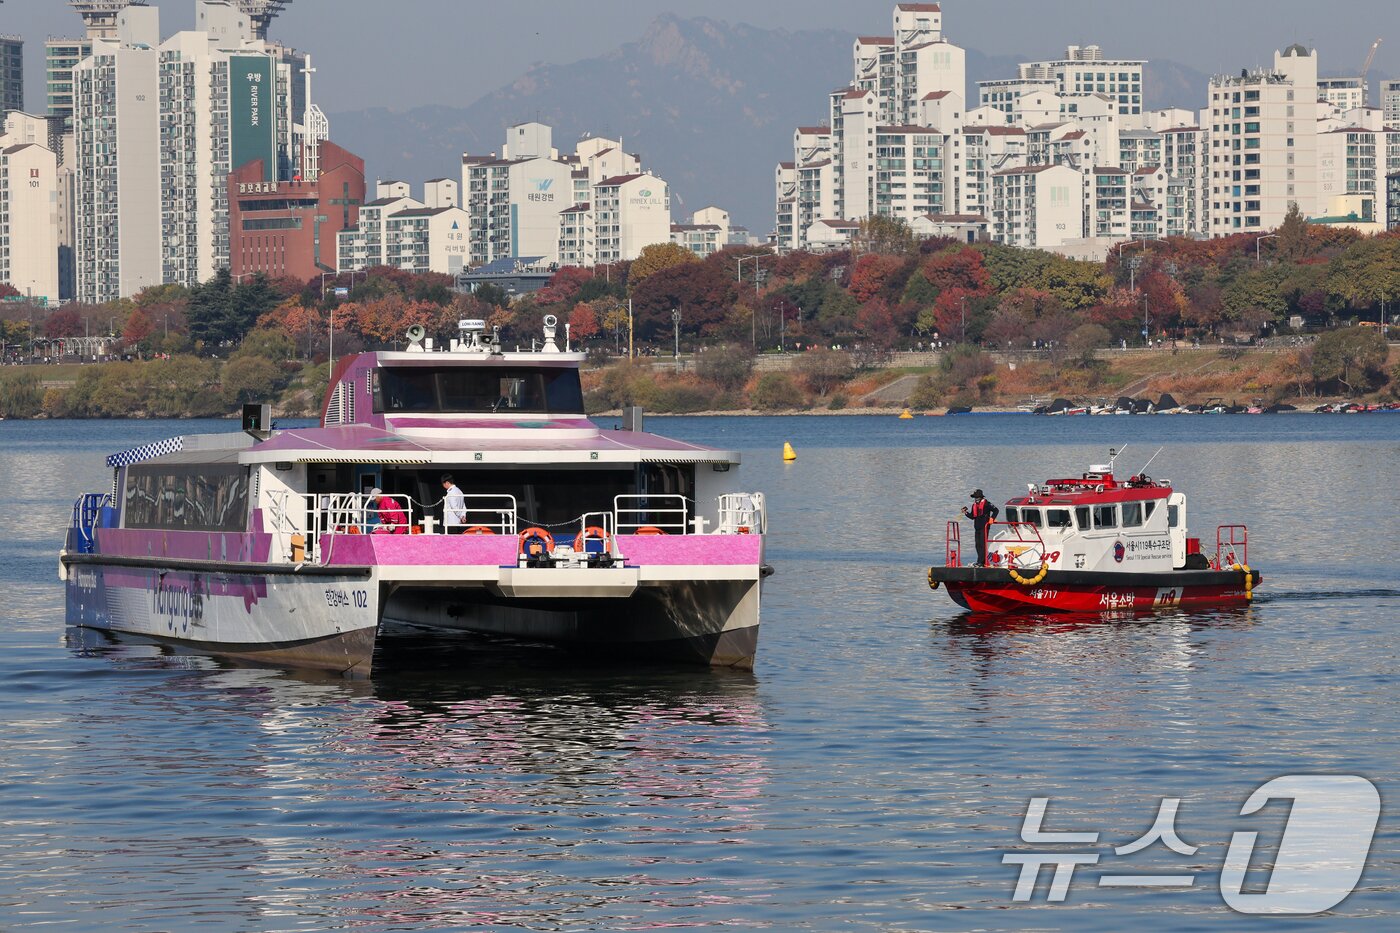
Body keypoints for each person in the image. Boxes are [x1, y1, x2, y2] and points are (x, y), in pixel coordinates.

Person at [961, 489, 999, 567]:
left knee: (982, 544)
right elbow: (972, 516)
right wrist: (966, 512)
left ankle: (981, 562)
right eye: (975, 497)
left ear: (981, 497)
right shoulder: (974, 505)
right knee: (977, 545)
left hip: (984, 527)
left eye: (977, 497)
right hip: (977, 528)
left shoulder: (987, 504)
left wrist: (992, 518)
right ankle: (980, 561)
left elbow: (996, 510)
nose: (976, 499)